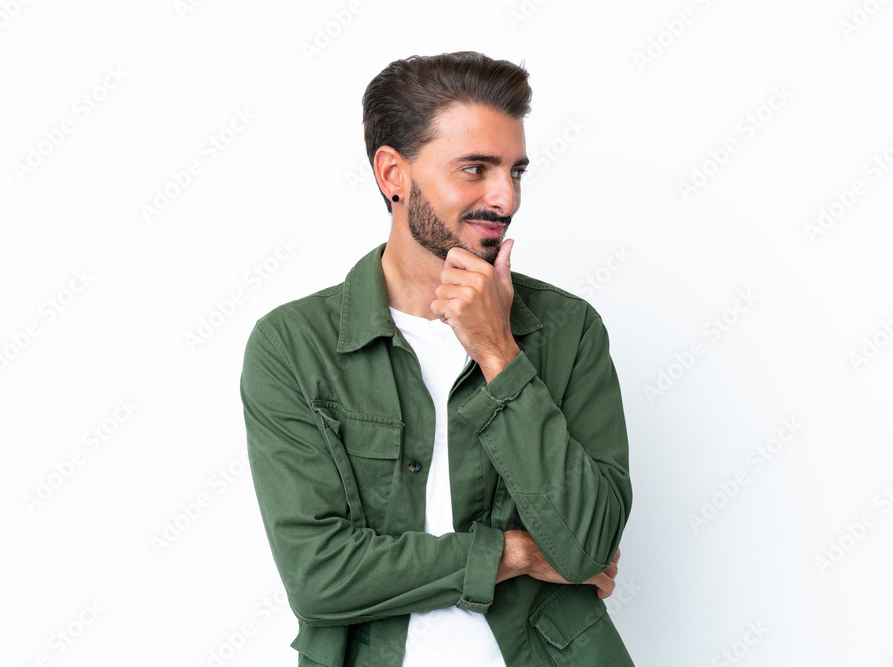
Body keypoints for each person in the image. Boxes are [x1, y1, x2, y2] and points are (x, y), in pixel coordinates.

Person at [240, 51, 634, 666]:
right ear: (393, 174)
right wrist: (519, 553)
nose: (505, 197)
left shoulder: (569, 330)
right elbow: (319, 577)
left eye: (516, 171)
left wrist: (497, 351)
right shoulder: (294, 346)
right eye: (475, 168)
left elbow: (588, 548)